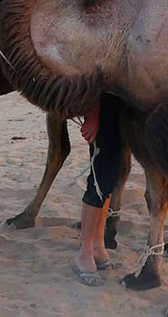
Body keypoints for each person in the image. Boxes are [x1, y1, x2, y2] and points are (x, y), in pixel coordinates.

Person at [73, 94, 123, 286]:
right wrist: (92, 116)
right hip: (103, 107)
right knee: (100, 177)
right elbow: (96, 74)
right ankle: (84, 252)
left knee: (110, 177)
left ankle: (98, 244)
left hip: (118, 106)